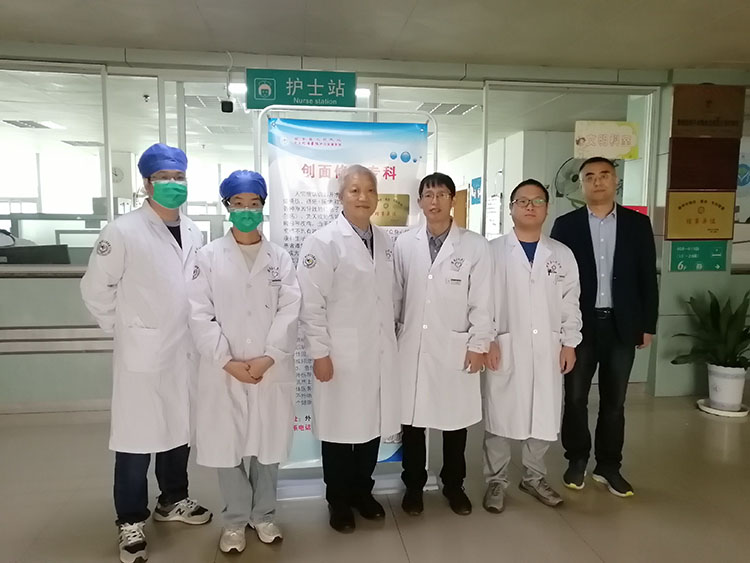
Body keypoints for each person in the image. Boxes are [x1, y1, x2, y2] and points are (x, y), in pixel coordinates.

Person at [80, 143, 212, 563]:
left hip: (184, 349)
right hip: (142, 350)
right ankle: (130, 518)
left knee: (178, 428)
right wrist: (124, 329)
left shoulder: (194, 230)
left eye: (179, 177)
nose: (173, 184)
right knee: (136, 438)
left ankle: (173, 499)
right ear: (146, 183)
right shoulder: (122, 231)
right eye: (164, 178)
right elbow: (95, 289)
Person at [188, 170, 300, 553]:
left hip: (270, 368)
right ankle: (235, 521)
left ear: (263, 207)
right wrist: (226, 359)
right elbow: (198, 313)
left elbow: (291, 310)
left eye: (254, 204)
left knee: (267, 446)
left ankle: (264, 515)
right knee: (229, 445)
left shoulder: (279, 258)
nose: (247, 211)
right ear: (227, 207)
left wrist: (270, 356)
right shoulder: (207, 257)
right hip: (225, 369)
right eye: (239, 204)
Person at [296, 164, 400, 533]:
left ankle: (362, 492)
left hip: (378, 353)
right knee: (339, 432)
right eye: (354, 190)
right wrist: (319, 353)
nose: (363, 197)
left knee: (371, 427)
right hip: (339, 355)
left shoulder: (385, 241)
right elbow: (311, 303)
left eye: (370, 190)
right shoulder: (323, 242)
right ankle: (338, 501)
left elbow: (391, 296)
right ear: (340, 196)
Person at [551, 156, 658, 498]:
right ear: (581, 184)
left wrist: (647, 324)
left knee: (615, 400)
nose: (597, 182)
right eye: (590, 177)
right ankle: (577, 458)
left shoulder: (637, 224)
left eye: (604, 175)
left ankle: (609, 465)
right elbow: (555, 281)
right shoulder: (566, 226)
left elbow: (647, 277)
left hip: (621, 326)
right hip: (579, 327)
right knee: (575, 397)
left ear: (615, 181)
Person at [394, 172, 493, 516]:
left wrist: (479, 344)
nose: (434, 201)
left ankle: (454, 485)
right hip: (412, 345)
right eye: (428, 195)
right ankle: (413, 486)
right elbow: (395, 295)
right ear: (420, 201)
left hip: (456, 345)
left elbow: (483, 300)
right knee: (412, 422)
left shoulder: (474, 245)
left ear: (452, 200)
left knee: (455, 421)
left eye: (441, 194)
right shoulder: (405, 244)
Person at [482, 179, 582, 513]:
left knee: (544, 413)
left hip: (548, 348)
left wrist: (569, 343)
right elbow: (482, 300)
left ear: (547, 209)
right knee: (499, 415)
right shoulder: (492, 252)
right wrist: (488, 339)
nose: (529, 206)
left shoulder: (561, 254)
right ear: (510, 208)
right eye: (522, 201)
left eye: (537, 201)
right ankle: (496, 480)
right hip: (504, 344)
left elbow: (570, 302)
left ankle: (534, 477)